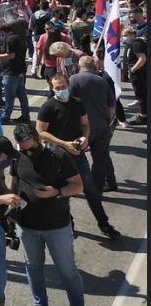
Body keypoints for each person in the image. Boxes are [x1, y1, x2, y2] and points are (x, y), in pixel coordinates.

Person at [36, 74, 121, 240]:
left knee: (90, 189)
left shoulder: (78, 103)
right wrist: (64, 143)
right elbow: (40, 132)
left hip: (76, 152)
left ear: (68, 85)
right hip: (57, 155)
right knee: (63, 193)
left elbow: (85, 124)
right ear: (52, 88)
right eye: (57, 88)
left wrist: (85, 138)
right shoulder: (48, 107)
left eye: (63, 86)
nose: (61, 90)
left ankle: (104, 223)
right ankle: (68, 224)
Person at [10, 123, 86, 306]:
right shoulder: (18, 157)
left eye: (31, 148)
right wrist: (11, 207)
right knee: (33, 268)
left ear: (38, 139)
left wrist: (56, 192)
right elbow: (14, 183)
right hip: (27, 227)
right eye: (24, 149)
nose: (28, 153)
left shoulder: (58, 156)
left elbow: (78, 186)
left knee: (67, 271)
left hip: (57, 227)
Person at [67, 56, 116, 192]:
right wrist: (109, 122)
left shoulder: (73, 80)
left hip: (83, 127)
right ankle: (99, 186)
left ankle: (78, 184)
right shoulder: (102, 80)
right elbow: (111, 106)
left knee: (76, 157)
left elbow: (67, 102)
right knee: (101, 158)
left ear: (79, 66)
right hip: (102, 125)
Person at [0, 21, 31, 123]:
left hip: (11, 71)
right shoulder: (17, 38)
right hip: (20, 70)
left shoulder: (9, 40)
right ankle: (25, 115)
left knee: (9, 96)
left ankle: (6, 116)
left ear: (3, 31)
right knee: (21, 94)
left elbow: (10, 55)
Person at [124, 26, 147, 125]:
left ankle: (143, 116)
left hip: (138, 73)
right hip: (138, 72)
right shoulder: (135, 43)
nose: (124, 37)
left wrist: (133, 69)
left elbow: (142, 59)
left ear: (132, 35)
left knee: (141, 95)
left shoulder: (136, 44)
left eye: (126, 35)